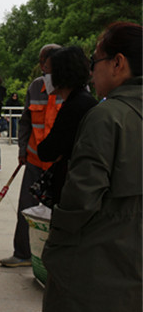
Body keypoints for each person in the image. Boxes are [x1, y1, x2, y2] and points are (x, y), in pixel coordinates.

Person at [41, 22, 142, 312]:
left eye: (95, 61)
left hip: (96, 266)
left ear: (118, 63)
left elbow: (81, 199)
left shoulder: (107, 115)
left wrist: (54, 244)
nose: (92, 72)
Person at [0, 44, 63, 268]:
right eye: (43, 63)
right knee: (26, 208)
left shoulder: (73, 88)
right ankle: (23, 253)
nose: (43, 67)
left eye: (47, 62)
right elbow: (25, 122)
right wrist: (22, 150)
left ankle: (54, 261)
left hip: (60, 166)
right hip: (35, 162)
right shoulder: (36, 87)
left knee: (59, 214)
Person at [36, 47, 98, 208]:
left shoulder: (74, 106)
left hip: (70, 191)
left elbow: (47, 150)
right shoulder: (84, 100)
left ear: (61, 73)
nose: (45, 77)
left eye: (48, 72)